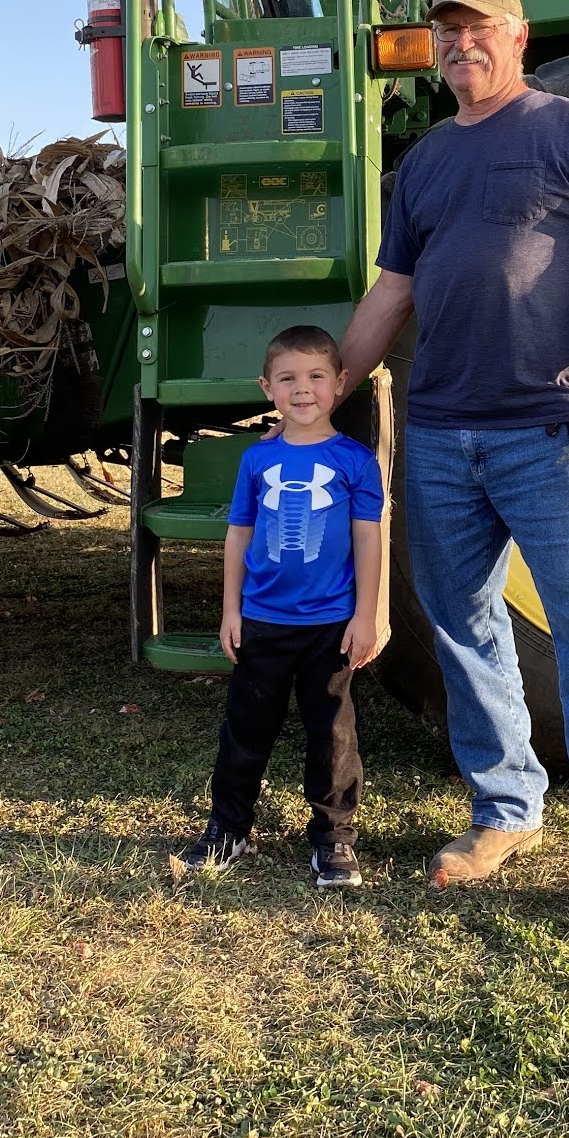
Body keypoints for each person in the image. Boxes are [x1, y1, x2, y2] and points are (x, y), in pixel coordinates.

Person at [337, 0, 569, 940]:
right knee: (462, 621)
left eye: (478, 27)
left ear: (519, 35)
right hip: (439, 432)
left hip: (550, 431)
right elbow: (391, 293)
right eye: (446, 30)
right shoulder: (428, 164)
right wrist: (323, 395)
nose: (459, 43)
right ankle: (506, 811)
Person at [178, 325, 384, 889]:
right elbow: (238, 534)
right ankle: (229, 827)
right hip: (263, 622)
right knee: (246, 729)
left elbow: (369, 539)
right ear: (267, 388)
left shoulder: (357, 462)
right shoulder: (257, 461)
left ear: (340, 383)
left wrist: (366, 615)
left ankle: (334, 838)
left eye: (317, 376)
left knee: (333, 735)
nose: (303, 389)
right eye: (288, 378)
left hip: (331, 626)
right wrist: (230, 610)